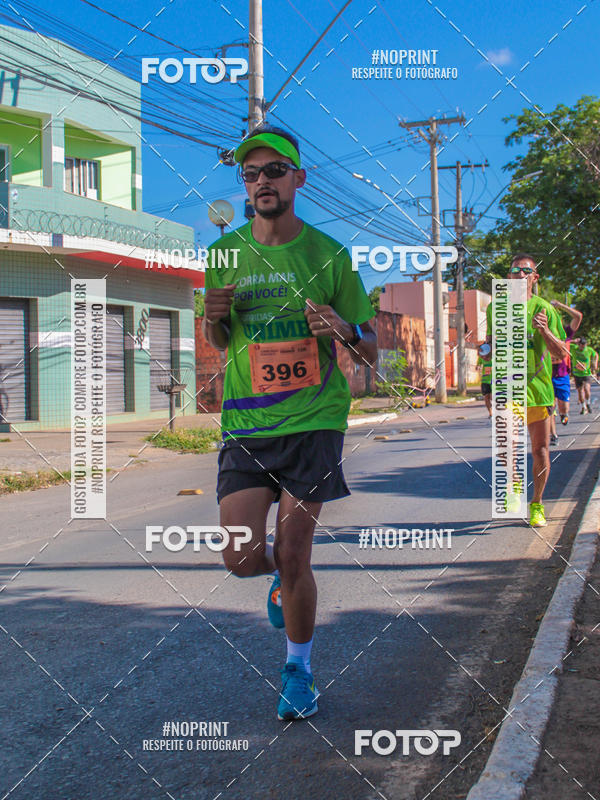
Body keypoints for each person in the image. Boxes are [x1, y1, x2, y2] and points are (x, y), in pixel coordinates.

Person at [203, 124, 376, 721]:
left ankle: (297, 670)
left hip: (313, 420)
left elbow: (370, 345)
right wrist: (212, 319)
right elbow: (219, 339)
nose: (261, 182)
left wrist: (345, 330)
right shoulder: (223, 254)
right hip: (247, 424)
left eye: (274, 171)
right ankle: (276, 577)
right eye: (251, 174)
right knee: (242, 556)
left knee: (296, 551)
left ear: (298, 178)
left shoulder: (328, 254)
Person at [486, 254, 568, 527]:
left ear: (534, 277)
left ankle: (537, 504)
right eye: (514, 271)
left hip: (537, 389)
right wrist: (486, 350)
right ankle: (515, 486)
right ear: (508, 277)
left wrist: (544, 331)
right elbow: (490, 345)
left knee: (540, 450)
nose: (519, 274)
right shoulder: (495, 308)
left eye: (526, 271)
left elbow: (561, 354)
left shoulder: (544, 308)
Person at [548, 300, 582, 442]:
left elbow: (578, 317)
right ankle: (553, 435)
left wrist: (561, 305)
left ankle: (564, 415)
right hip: (547, 375)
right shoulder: (543, 334)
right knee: (549, 407)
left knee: (563, 408)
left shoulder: (566, 334)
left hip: (562, 376)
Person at [571, 336, 599, 414]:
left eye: (585, 345)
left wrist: (595, 363)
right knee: (580, 392)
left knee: (587, 389)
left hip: (586, 373)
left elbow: (596, 354)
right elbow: (564, 343)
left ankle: (588, 403)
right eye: (582, 345)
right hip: (577, 374)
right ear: (579, 344)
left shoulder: (589, 350)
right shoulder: (574, 348)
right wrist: (574, 340)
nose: (583, 347)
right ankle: (583, 407)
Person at [478, 343, 492, 418]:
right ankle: (490, 413)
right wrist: (478, 367)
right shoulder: (481, 357)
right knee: (486, 397)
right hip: (485, 380)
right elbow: (479, 365)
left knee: (492, 396)